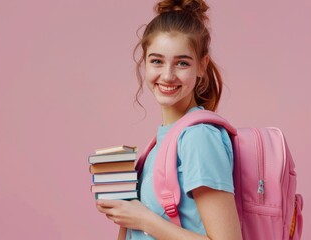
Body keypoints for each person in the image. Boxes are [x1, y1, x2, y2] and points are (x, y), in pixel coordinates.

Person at [96, 0, 242, 239]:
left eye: (182, 63)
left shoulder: (199, 137)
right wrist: (125, 213)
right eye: (157, 61)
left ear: (202, 66)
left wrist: (143, 218)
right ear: (145, 63)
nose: (167, 75)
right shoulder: (160, 143)